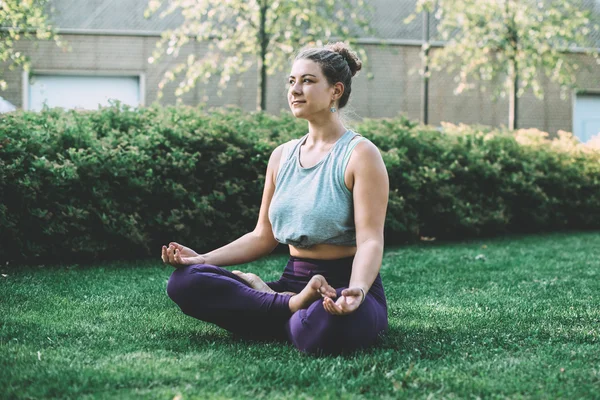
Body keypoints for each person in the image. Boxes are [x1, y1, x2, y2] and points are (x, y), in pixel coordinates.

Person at [162, 42, 390, 356]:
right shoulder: (281, 156)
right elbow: (262, 236)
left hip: (344, 284)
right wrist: (200, 259)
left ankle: (272, 306)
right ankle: (288, 305)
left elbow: (370, 242)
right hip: (291, 285)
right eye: (292, 81)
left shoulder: (360, 154)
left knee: (320, 328)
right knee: (184, 282)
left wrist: (359, 290)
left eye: (307, 81)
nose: (295, 90)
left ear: (336, 90)